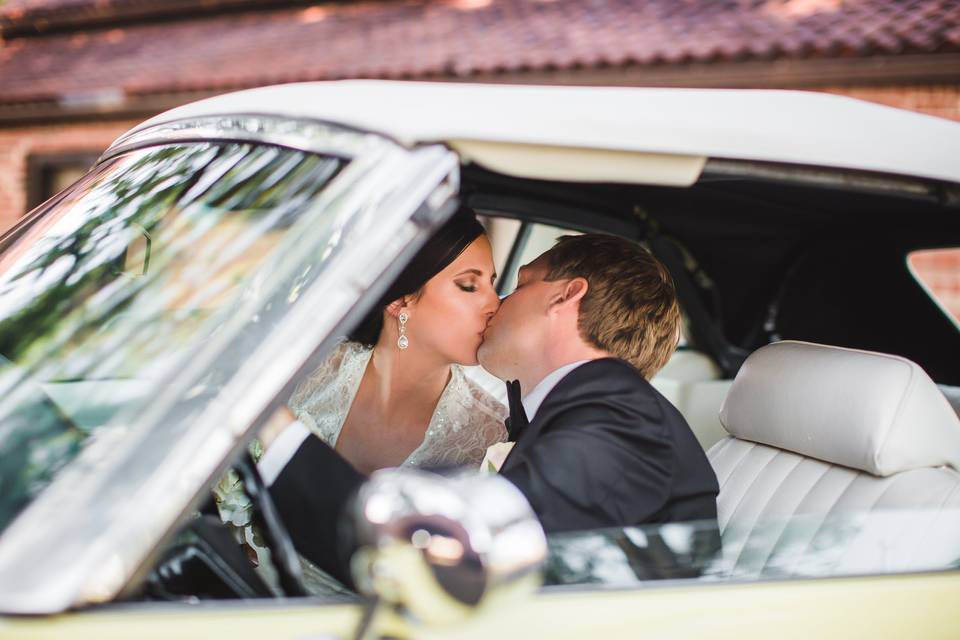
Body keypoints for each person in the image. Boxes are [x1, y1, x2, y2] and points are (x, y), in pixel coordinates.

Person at [259, 232, 719, 585]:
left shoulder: (620, 424)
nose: (497, 305)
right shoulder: (583, 412)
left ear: (565, 296)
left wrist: (272, 427)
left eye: (518, 285)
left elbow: (444, 560)